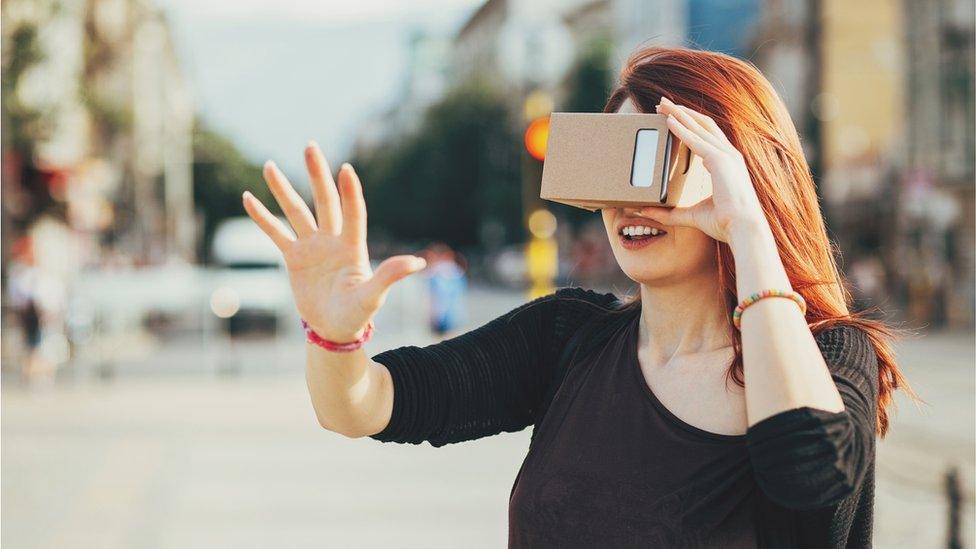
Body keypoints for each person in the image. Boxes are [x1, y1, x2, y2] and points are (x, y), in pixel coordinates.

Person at [242, 46, 915, 548]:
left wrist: (748, 229)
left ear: (738, 176)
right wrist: (335, 339)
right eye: (612, 161)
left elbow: (810, 478)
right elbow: (368, 404)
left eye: (656, 160)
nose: (627, 200)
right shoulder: (569, 337)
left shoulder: (826, 357)